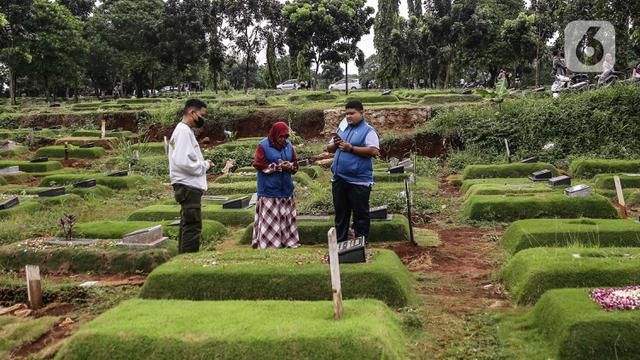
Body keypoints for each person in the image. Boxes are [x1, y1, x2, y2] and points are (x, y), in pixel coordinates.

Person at [327, 100, 380, 243]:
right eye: (346, 114)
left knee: (360, 215)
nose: (348, 116)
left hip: (358, 181)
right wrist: (335, 144)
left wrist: (351, 148)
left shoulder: (368, 131)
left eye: (352, 113)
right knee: (341, 215)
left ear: (361, 113)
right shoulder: (343, 128)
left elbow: (374, 150)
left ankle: (360, 245)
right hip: (339, 179)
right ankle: (340, 245)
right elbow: (330, 148)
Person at [168, 99, 214, 253]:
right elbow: (183, 162)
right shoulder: (183, 132)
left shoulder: (184, 131)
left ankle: (182, 259)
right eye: (202, 115)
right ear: (192, 113)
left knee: (187, 224)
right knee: (193, 226)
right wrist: (204, 166)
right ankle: (188, 259)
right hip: (188, 186)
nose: (202, 119)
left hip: (187, 185)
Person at [252, 122, 300, 249]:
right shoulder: (263, 145)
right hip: (269, 190)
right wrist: (278, 167)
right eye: (280, 137)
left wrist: (290, 166)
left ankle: (287, 241)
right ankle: (269, 244)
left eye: (285, 137)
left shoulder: (288, 146)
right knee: (270, 220)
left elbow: (295, 164)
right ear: (274, 134)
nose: (283, 139)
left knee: (285, 218)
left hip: (286, 189)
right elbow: (258, 164)